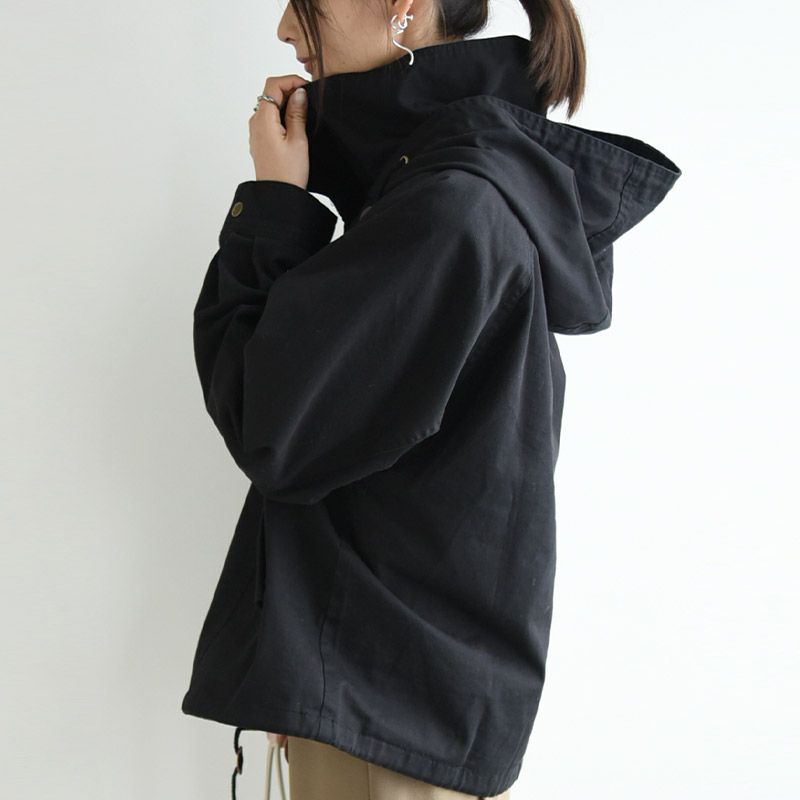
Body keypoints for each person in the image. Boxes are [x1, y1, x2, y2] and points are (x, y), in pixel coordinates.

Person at [180, 0, 682, 798]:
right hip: (385, 697)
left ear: (403, 7)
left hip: (384, 718)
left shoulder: (447, 208)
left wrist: (273, 204)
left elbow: (275, 429)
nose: (284, 29)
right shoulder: (452, 193)